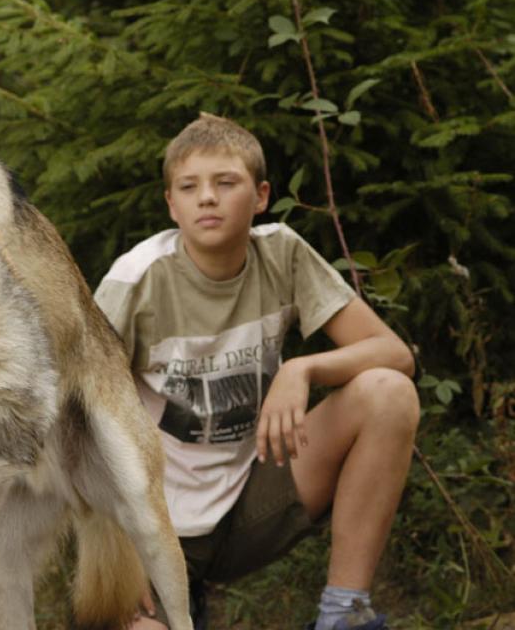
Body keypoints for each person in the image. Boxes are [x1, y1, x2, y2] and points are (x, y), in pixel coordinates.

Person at [93, 113, 419, 630]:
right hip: (152, 530)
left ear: (261, 195)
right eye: (189, 186)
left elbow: (394, 354)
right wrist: (113, 550)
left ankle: (344, 613)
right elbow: (77, 420)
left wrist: (302, 369)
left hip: (251, 502)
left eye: (226, 183)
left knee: (388, 393)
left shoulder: (282, 254)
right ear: (171, 204)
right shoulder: (135, 282)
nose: (207, 197)